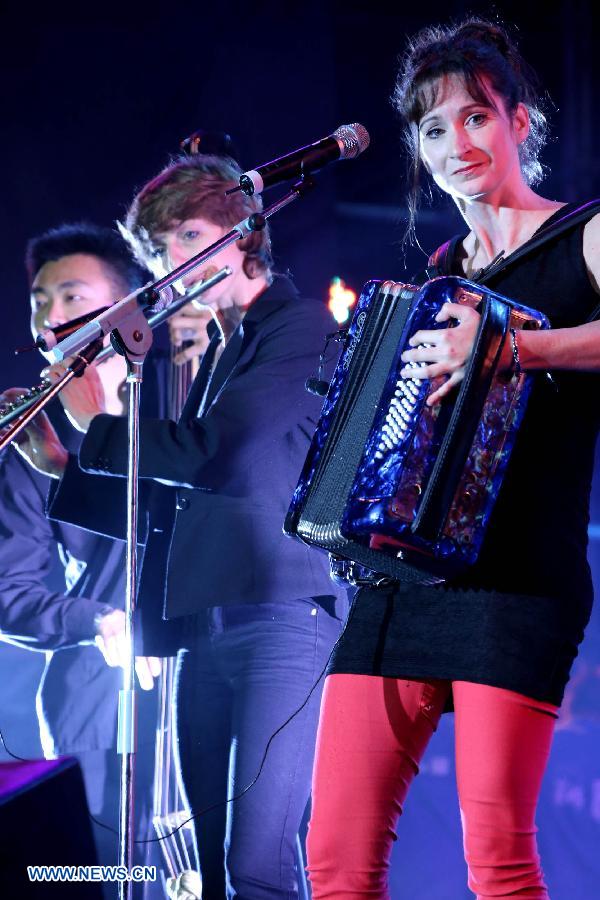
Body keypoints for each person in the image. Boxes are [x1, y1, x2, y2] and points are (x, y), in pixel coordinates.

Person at [304, 18, 600, 900]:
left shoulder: (585, 234)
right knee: (335, 862)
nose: (458, 142)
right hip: (401, 584)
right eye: (435, 128)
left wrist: (511, 344)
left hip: (518, 580)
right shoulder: (436, 274)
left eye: (477, 116)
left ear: (520, 121)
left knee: (498, 865)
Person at [16, 154, 348, 899]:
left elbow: (222, 453)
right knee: (205, 868)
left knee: (256, 863)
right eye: (162, 250)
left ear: (244, 232)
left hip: (282, 620)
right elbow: (173, 508)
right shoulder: (225, 352)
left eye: (191, 235)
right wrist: (59, 462)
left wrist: (96, 420)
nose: (176, 263)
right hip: (205, 627)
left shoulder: (299, 326)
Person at [0, 223, 174, 891]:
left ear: (128, 308)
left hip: (208, 671)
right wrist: (94, 619)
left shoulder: (179, 394)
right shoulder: (32, 437)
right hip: (95, 700)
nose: (51, 315)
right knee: (87, 872)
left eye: (72, 295)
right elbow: (10, 590)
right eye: (40, 300)